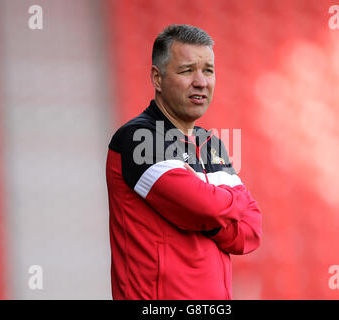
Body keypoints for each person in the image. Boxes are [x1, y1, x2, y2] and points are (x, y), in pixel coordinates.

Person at [106, 24, 262, 300]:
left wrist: (208, 216)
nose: (201, 81)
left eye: (208, 71)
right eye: (187, 70)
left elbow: (250, 232)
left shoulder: (212, 144)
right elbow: (206, 205)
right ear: (157, 78)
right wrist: (227, 202)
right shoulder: (139, 139)